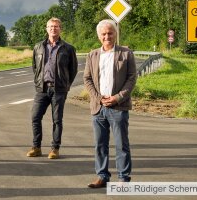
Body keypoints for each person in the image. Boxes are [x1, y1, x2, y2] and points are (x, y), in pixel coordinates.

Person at [83, 19, 137, 188]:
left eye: (110, 33)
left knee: (121, 144)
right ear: (99, 36)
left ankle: (123, 178)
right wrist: (98, 98)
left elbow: (131, 78)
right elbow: (87, 78)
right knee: (100, 144)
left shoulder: (126, 53)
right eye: (104, 34)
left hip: (118, 106)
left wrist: (118, 97)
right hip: (98, 107)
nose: (107, 36)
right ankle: (102, 176)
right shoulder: (92, 55)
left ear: (115, 34)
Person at [27, 17, 78, 159]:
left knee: (57, 120)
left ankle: (55, 148)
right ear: (46, 29)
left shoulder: (68, 48)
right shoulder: (38, 47)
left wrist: (65, 85)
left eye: (56, 26)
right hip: (42, 89)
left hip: (59, 90)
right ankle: (36, 147)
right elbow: (35, 67)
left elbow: (73, 70)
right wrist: (39, 80)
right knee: (35, 117)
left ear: (60, 29)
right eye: (50, 26)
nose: (53, 29)